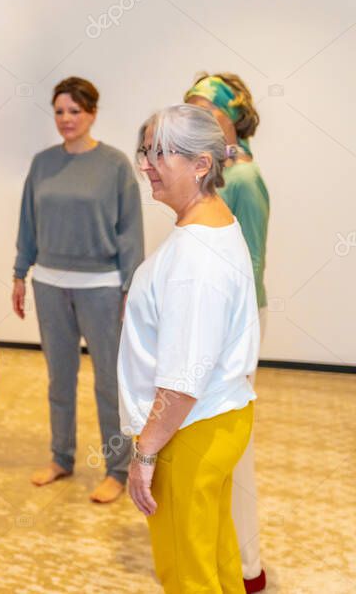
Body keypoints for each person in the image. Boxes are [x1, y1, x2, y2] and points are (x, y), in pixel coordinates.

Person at [120, 104, 258, 593]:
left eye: (160, 153)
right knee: (215, 560)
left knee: (185, 573)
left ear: (202, 164)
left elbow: (182, 381)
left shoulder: (194, 257)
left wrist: (145, 453)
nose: (146, 164)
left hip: (189, 430)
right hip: (219, 419)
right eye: (146, 150)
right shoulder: (216, 222)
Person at [12, 76, 144, 503]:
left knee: (109, 383)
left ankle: (118, 468)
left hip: (103, 288)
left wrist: (130, 285)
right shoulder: (42, 163)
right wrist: (19, 273)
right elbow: (28, 224)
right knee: (59, 379)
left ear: (92, 113)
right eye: (60, 111)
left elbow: (130, 231)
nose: (67, 119)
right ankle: (61, 457)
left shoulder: (116, 164)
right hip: (49, 284)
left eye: (75, 111)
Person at [184, 72, 268, 593]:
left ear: (230, 117)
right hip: (210, 325)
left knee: (235, 451)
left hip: (234, 329)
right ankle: (224, 557)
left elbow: (249, 266)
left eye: (204, 111)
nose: (193, 119)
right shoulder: (214, 171)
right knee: (212, 448)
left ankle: (248, 569)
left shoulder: (242, 179)